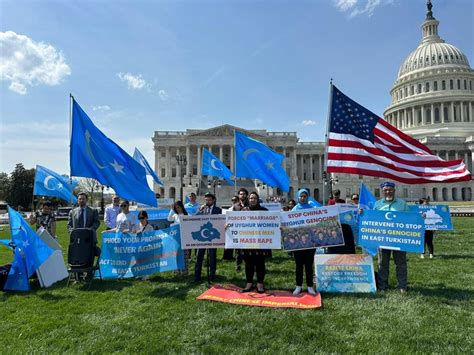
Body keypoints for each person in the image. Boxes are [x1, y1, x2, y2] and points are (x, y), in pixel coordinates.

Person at [373, 181, 410, 294]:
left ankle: (402, 286)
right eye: (385, 190)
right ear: (382, 191)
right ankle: (383, 286)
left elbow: (410, 219)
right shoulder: (378, 204)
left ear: (394, 190)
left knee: (401, 263)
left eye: (390, 190)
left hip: (399, 239)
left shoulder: (402, 204)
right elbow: (372, 220)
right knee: (382, 263)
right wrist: (363, 214)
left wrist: (420, 218)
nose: (388, 192)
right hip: (383, 238)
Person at [239, 192, 271, 293]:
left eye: (254, 198)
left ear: (258, 199)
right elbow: (237, 223)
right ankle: (249, 283)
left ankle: (260, 284)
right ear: (248, 199)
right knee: (248, 263)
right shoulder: (243, 211)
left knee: (260, 263)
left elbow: (271, 224)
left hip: (261, 242)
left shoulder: (264, 211)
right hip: (247, 241)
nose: (252, 200)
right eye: (251, 198)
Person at [290, 189, 317, 295]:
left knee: (309, 265)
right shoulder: (294, 209)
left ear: (307, 197)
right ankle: (298, 285)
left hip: (310, 242)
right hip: (298, 242)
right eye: (301, 196)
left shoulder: (312, 209)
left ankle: (310, 286)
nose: (302, 198)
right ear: (298, 197)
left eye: (304, 196)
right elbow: (289, 224)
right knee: (299, 265)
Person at [194, 192, 222, 282]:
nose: (207, 202)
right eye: (206, 200)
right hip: (202, 237)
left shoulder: (218, 210)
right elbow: (195, 219)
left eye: (209, 200)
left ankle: (212, 276)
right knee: (199, 256)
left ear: (213, 200)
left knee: (212, 257)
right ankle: (197, 276)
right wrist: (200, 211)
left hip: (212, 237)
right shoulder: (202, 209)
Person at [229, 188, 250, 265]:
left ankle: (247, 264)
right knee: (238, 248)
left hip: (248, 230)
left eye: (244, 194)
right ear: (238, 195)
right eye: (240, 194)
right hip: (238, 230)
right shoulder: (235, 206)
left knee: (247, 248)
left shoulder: (250, 205)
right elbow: (232, 218)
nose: (242, 195)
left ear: (247, 195)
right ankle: (238, 265)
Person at [168, 200, 190, 274]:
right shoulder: (175, 215)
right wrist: (171, 209)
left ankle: (184, 271)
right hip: (176, 239)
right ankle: (177, 270)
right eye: (176, 208)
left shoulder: (187, 215)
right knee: (176, 254)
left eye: (178, 207)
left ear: (182, 207)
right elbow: (169, 219)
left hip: (184, 238)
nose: (177, 209)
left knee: (184, 255)